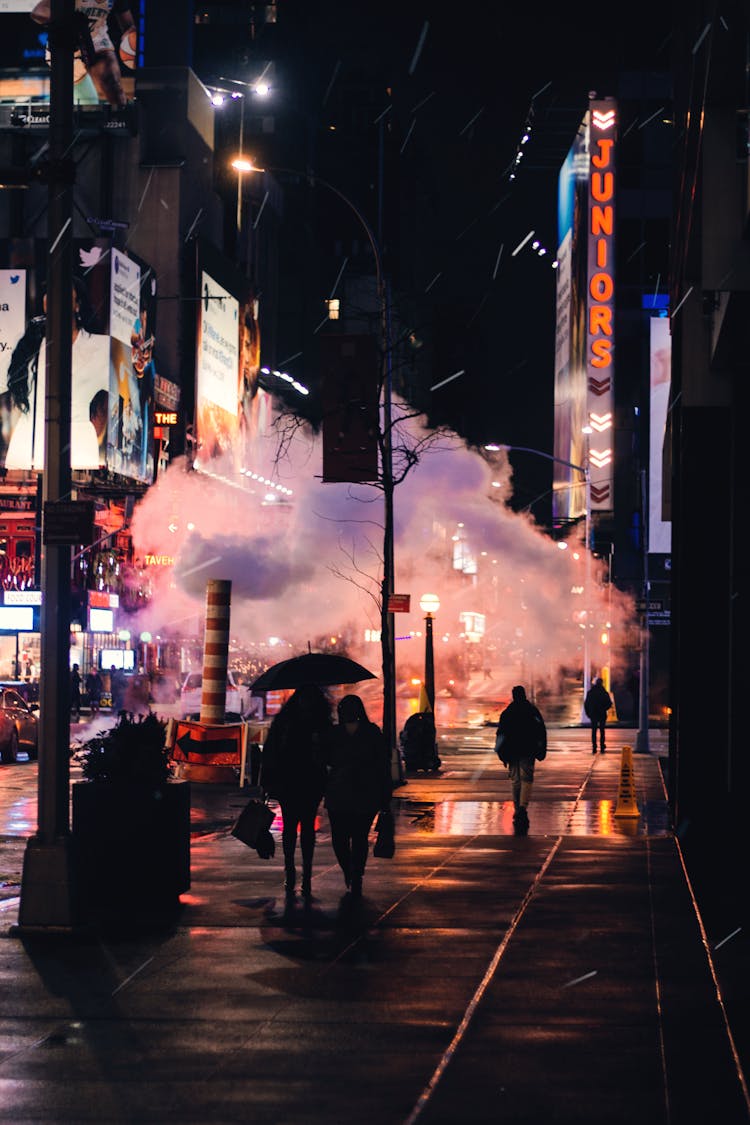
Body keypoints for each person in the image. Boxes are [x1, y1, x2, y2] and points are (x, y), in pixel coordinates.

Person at [3, 279, 109, 471]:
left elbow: (129, 389)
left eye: (63, 293)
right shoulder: (29, 345)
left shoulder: (100, 348)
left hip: (76, 443)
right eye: (48, 293)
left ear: (78, 305)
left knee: (73, 497)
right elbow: (7, 380)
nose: (52, 299)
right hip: (29, 443)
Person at [259, 685, 333, 900]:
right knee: (293, 826)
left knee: (305, 826)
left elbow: (328, 752)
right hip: (292, 780)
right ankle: (292, 869)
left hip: (306, 780)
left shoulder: (307, 724)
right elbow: (272, 752)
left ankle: (303, 872)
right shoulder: (292, 723)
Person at [323, 694, 393, 899]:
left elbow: (325, 759)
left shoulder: (333, 734)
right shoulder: (371, 732)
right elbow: (383, 763)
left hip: (339, 791)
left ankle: (348, 869)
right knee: (360, 836)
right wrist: (385, 793)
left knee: (340, 837)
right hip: (366, 791)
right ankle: (357, 872)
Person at [31, 0, 136, 109]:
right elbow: (38, 12)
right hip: (67, 43)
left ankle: (121, 119)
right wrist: (67, 22)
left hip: (97, 41)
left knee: (113, 85)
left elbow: (128, 25)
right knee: (88, 104)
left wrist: (131, 37)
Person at [494, 685, 547, 832]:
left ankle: (517, 808)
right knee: (527, 779)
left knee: (515, 780)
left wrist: (501, 753)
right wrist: (540, 750)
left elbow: (501, 734)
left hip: (511, 751)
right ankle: (523, 807)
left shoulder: (508, 713)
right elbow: (540, 731)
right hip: (528, 750)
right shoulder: (532, 711)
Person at [584, 677, 613, 754]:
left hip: (593, 714)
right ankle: (602, 745)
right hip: (602, 714)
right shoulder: (604, 693)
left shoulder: (590, 693)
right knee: (602, 731)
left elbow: (586, 704)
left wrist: (588, 713)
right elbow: (609, 704)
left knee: (594, 731)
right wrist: (604, 708)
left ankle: (594, 746)